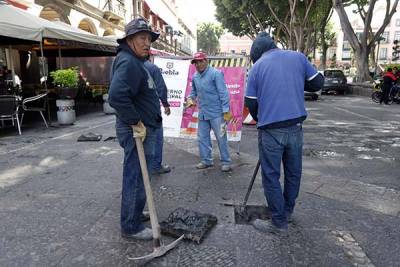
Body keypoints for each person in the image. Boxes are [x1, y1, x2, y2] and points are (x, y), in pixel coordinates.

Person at [245, 32, 324, 235]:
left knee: (271, 176)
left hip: (271, 130)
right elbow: (317, 84)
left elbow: (251, 103)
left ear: (257, 54)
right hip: (295, 128)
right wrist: (297, 80)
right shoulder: (298, 57)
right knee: (293, 173)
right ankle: (287, 212)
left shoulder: (257, 67)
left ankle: (279, 222)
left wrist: (260, 117)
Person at [108, 18, 161, 241]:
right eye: (142, 38)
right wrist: (135, 122)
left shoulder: (134, 60)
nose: (147, 42)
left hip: (141, 127)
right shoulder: (129, 62)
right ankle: (131, 225)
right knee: (135, 176)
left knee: (141, 175)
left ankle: (136, 213)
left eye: (149, 38)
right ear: (130, 40)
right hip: (136, 129)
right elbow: (117, 96)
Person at [185, 51, 232, 172]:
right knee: (202, 137)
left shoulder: (216, 74)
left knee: (221, 137)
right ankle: (206, 160)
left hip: (217, 113)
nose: (198, 64)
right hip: (203, 113)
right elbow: (194, 92)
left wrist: (226, 110)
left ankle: (226, 161)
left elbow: (223, 93)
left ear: (206, 61)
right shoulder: (195, 76)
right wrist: (190, 99)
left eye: (201, 61)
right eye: (196, 62)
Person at [144, 58, 172, 175]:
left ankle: (142, 166)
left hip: (134, 112)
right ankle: (155, 166)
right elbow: (161, 87)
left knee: (139, 140)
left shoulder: (128, 65)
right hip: (151, 110)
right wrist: (165, 104)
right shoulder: (152, 67)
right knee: (156, 137)